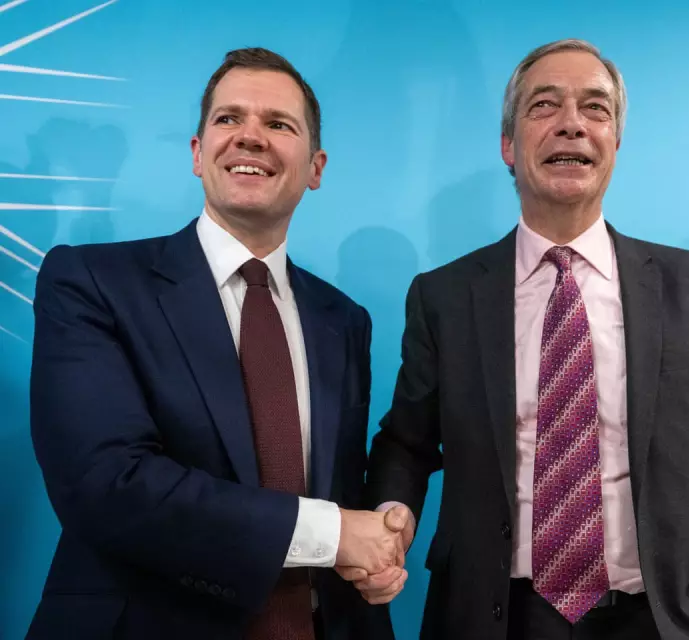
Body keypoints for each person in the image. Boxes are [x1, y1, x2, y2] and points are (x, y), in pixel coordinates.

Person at [351, 39, 689, 640]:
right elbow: (405, 443)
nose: (572, 124)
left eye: (595, 108)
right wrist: (389, 517)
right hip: (496, 619)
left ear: (615, 142)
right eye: (544, 105)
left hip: (667, 619)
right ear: (508, 145)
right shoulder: (443, 296)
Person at [27, 47, 408, 640]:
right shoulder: (92, 282)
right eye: (229, 118)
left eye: (279, 124)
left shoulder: (343, 320)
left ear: (316, 167)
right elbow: (105, 484)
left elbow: (335, 490)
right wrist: (335, 533)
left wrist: (377, 540)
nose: (250, 137)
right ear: (197, 153)